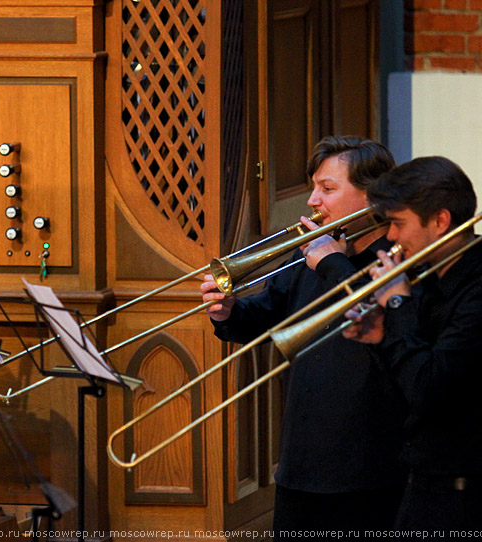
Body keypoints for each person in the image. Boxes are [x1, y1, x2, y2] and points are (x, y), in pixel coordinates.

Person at [200, 136, 407, 538]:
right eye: (314, 187)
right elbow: (262, 315)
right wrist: (228, 311)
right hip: (300, 462)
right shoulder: (311, 254)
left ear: (373, 196)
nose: (313, 201)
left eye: (328, 189)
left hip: (369, 470)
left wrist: (332, 263)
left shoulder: (397, 260)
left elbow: (386, 321)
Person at [343, 156, 482, 535]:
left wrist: (398, 305)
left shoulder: (476, 287)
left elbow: (430, 386)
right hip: (423, 483)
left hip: (465, 499)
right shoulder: (426, 279)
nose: (390, 237)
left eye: (398, 223)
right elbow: (407, 392)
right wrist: (380, 339)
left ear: (440, 221)